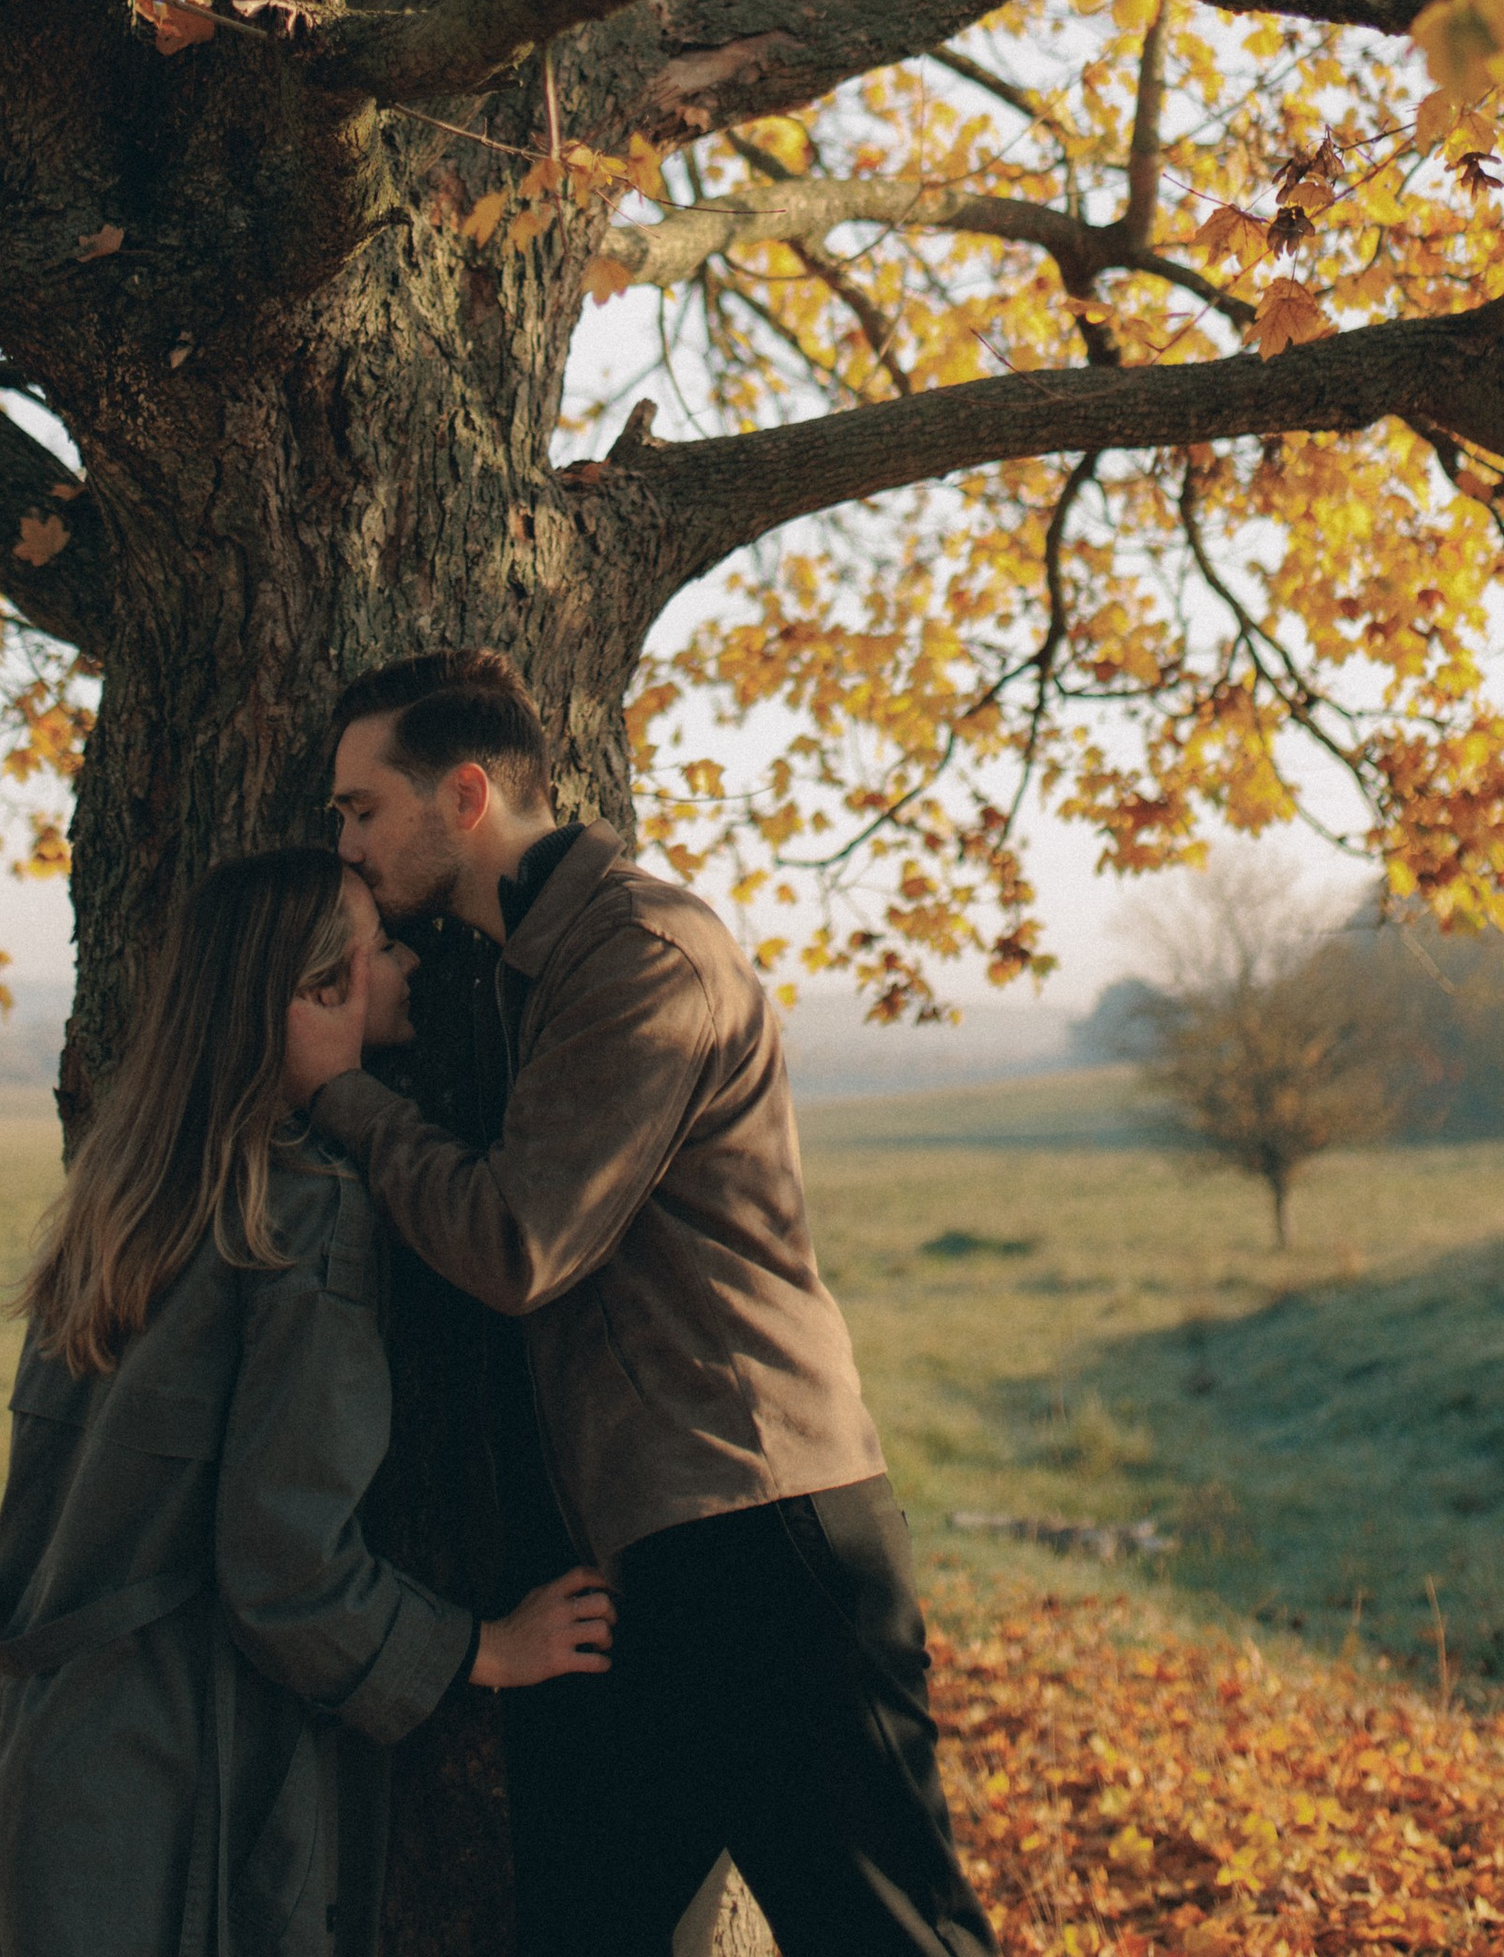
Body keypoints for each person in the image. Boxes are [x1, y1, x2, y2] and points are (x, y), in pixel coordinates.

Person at [292, 655, 997, 1957]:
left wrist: (337, 1094)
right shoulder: (521, 972)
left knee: (888, 1936)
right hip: (630, 1557)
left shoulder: (645, 956)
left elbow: (518, 1242)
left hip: (759, 1527)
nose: (341, 840)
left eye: (359, 809)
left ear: (462, 796)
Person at [0, 846, 613, 1957]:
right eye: (378, 947)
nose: (406, 960)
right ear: (316, 995)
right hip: (159, 1786)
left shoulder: (122, 1189)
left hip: (22, 1752)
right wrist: (477, 1652)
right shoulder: (298, 1208)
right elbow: (283, 1566)